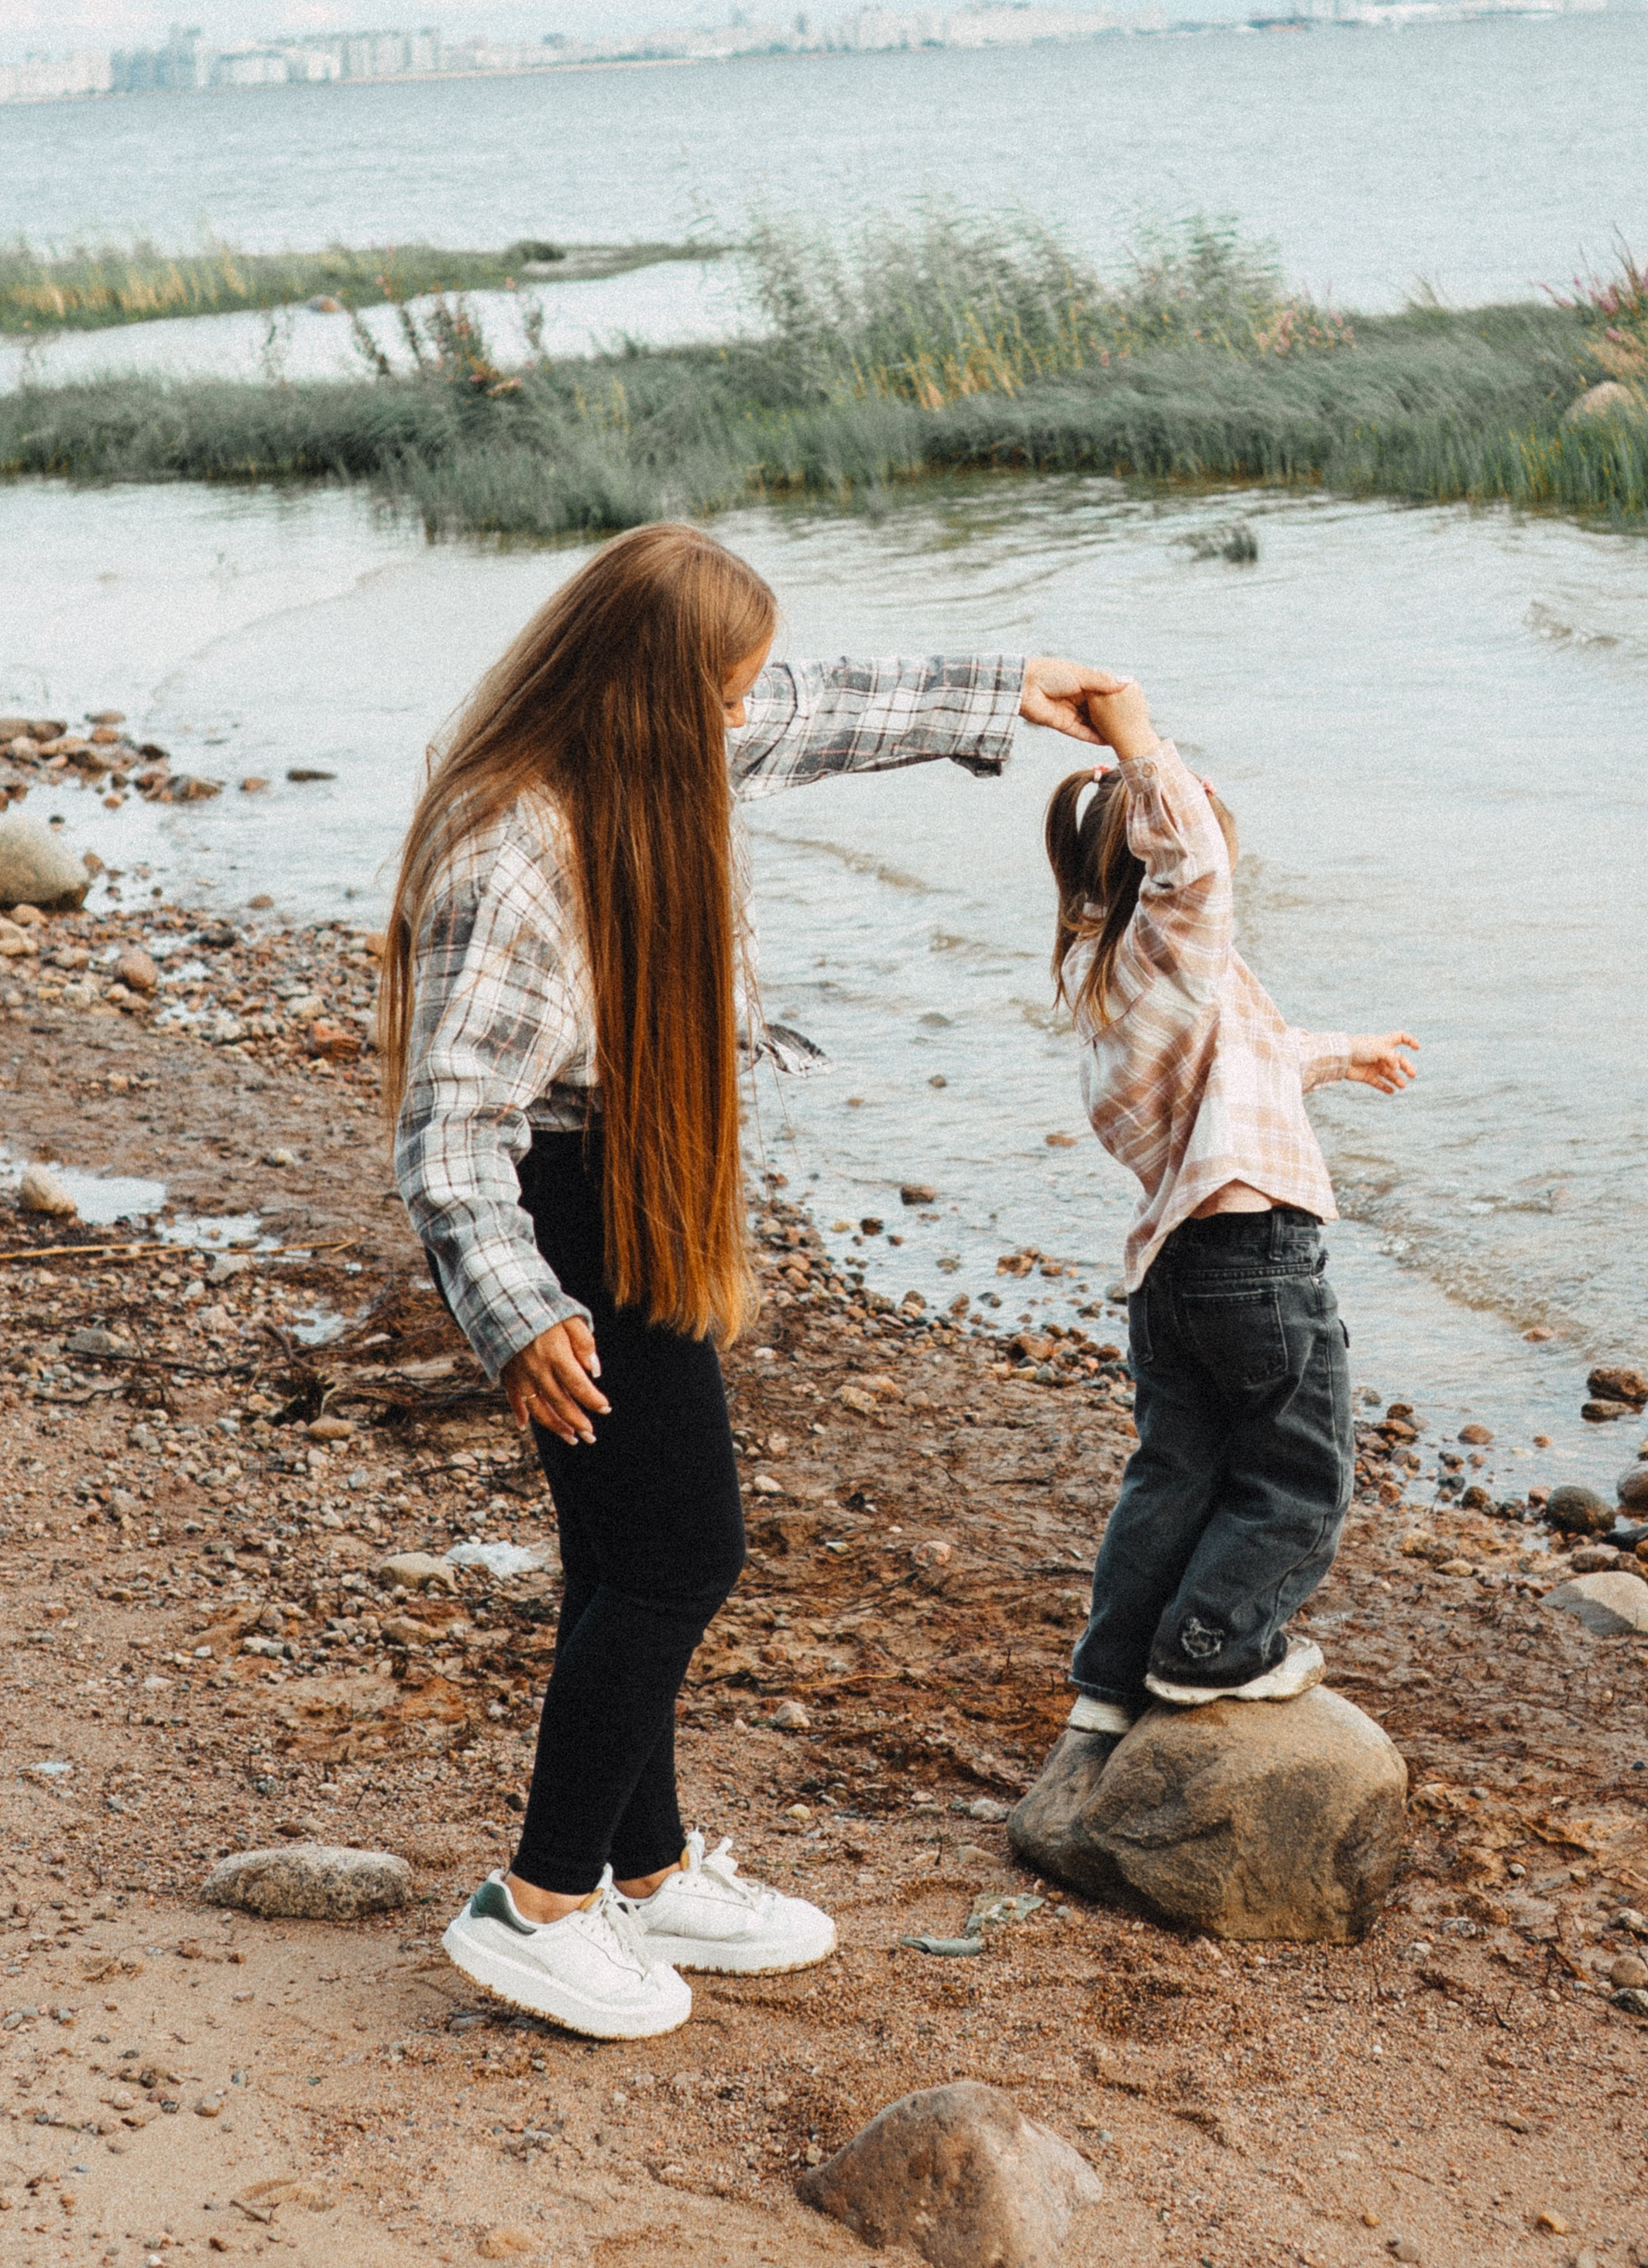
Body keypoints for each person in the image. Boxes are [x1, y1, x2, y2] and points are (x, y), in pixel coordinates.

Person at [380, 519, 1121, 2038]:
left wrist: (1013, 691)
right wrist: (522, 1314)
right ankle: (538, 1903)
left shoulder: (641, 745)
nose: (744, 717)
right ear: (652, 694)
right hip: (566, 1214)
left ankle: (642, 1873)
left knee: (623, 1552)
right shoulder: (513, 852)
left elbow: (819, 707)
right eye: (722, 696)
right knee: (676, 1556)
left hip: (629, 1183)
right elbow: (450, 1130)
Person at [1042, 676, 1417, 1736]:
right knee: (1301, 1474)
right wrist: (1140, 744)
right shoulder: (1179, 940)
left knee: (1174, 1477)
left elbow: (1252, 1062)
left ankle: (1110, 1681)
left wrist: (1345, 1054)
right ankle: (1211, 1649)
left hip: (1175, 1276)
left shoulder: (1125, 985)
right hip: (1257, 1262)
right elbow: (1196, 864)